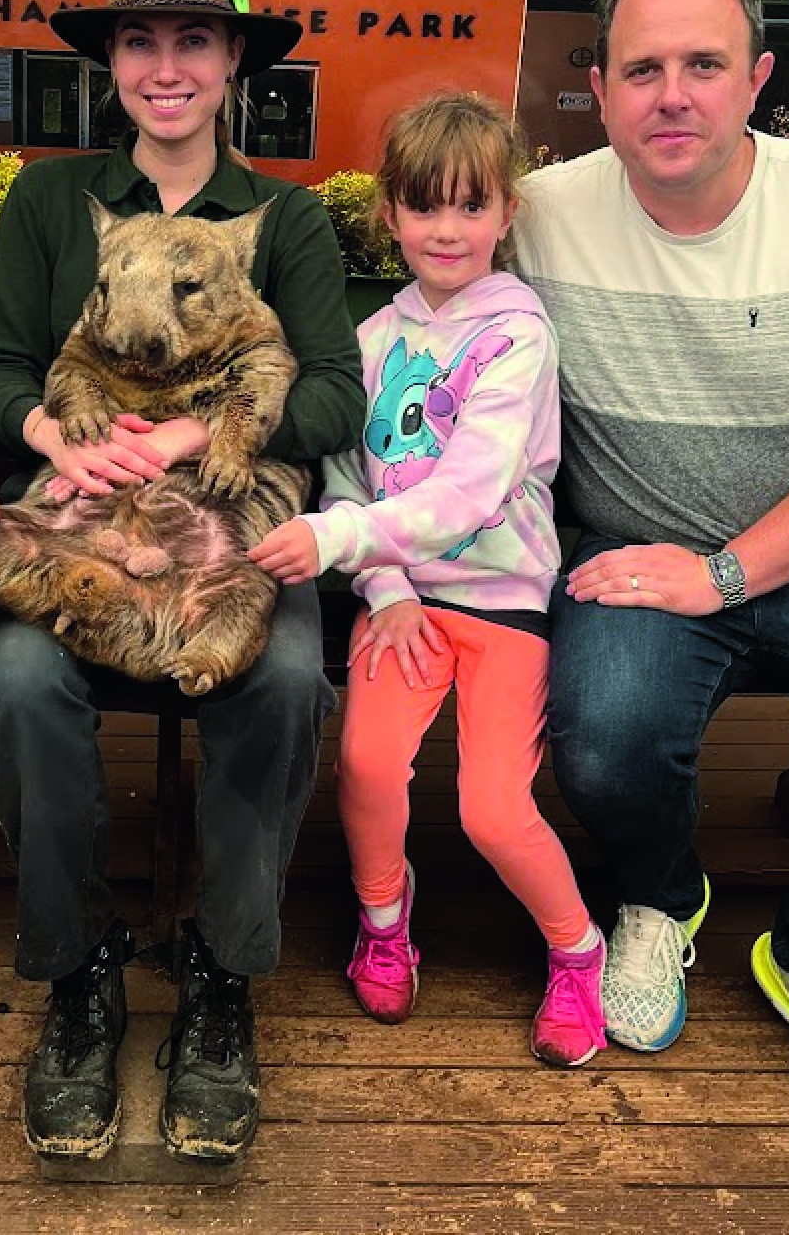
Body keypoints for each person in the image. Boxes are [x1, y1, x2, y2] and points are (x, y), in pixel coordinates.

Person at [0, 0, 364, 1163]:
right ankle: (77, 971)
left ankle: (221, 973)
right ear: (112, 61)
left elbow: (333, 391)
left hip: (230, 522)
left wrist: (198, 431)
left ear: (233, 57)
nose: (166, 66)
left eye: (194, 38)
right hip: (83, 509)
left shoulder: (283, 219)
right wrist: (53, 431)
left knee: (284, 675)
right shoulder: (52, 202)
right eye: (140, 40)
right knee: (17, 675)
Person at [511, 0, 789, 1135]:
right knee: (602, 737)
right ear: (599, 87)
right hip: (635, 553)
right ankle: (657, 896)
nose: (670, 94)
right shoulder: (540, 213)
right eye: (641, 68)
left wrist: (725, 571)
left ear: (757, 76)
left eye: (703, 64)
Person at [250, 92, 606, 1067]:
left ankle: (576, 947)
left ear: (505, 212)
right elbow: (346, 471)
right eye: (424, 205)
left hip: (501, 601)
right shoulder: (371, 339)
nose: (447, 229)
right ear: (389, 212)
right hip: (402, 599)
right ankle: (383, 918)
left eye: (470, 205)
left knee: (493, 808)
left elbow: (470, 488)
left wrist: (336, 541)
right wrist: (386, 588)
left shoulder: (518, 333)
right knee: (366, 765)